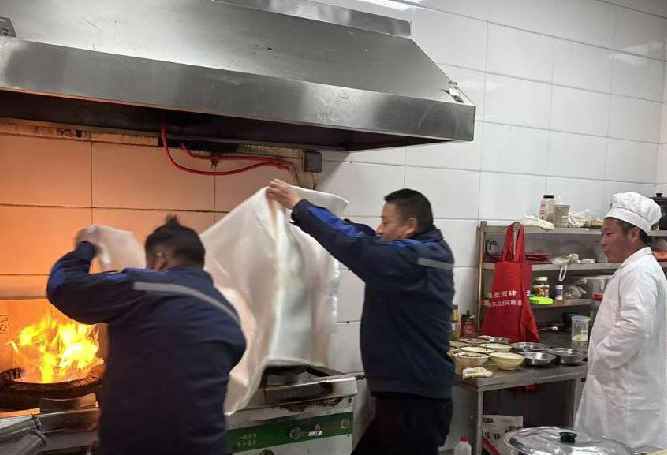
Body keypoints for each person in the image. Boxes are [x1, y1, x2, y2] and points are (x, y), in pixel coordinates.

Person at [266, 179, 455, 455]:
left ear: (410, 225)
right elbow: (364, 237)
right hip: (405, 398)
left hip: (416, 402)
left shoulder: (418, 258)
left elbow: (360, 248)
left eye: (386, 222)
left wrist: (300, 207)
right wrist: (311, 216)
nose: (380, 229)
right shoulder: (418, 252)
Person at [46, 217, 246, 455]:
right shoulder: (228, 312)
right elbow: (186, 372)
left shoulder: (145, 286)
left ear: (161, 258)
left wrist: (85, 248)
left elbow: (63, 287)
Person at [575, 192, 667, 453]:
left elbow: (635, 326)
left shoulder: (641, 272)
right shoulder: (633, 268)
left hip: (627, 398)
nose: (603, 242)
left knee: (622, 448)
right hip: (620, 390)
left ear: (634, 234)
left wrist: (602, 356)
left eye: (609, 234)